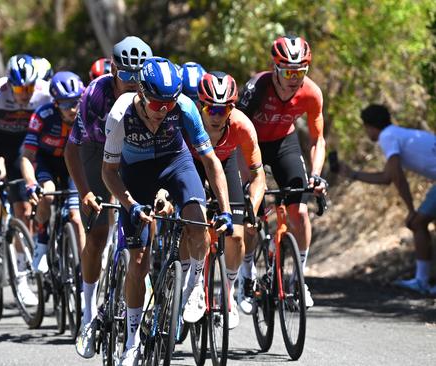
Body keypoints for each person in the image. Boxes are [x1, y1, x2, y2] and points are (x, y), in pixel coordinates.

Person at [102, 57, 233, 365]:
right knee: (138, 261)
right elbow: (108, 173)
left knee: (198, 221)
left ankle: (195, 286)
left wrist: (225, 209)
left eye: (168, 105)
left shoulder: (184, 107)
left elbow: (211, 161)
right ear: (142, 95)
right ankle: (132, 340)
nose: (163, 111)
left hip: (177, 163)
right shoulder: (120, 114)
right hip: (135, 172)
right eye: (157, 105)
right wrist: (131, 205)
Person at [69, 36, 152, 359]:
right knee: (99, 231)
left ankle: (142, 289)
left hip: (135, 152)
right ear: (114, 70)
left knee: (145, 224)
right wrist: (86, 192)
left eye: (139, 77)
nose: (134, 84)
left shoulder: (151, 90)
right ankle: (88, 315)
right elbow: (73, 148)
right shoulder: (96, 94)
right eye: (127, 77)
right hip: (96, 150)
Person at [236, 35, 327, 308]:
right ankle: (246, 275)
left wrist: (317, 174)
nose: (293, 77)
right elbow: (234, 129)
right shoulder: (256, 88)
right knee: (252, 219)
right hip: (249, 146)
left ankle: (299, 280)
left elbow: (317, 139)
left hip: (284, 144)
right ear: (275, 68)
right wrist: (248, 178)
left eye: (300, 71)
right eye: (288, 70)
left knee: (299, 211)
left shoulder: (311, 93)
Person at [0, 54, 51, 305]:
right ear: (9, 84)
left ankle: (21, 278)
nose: (25, 93)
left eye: (29, 87)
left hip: (21, 148)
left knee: (24, 210)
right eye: (19, 88)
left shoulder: (44, 94)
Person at [187, 71, 266, 327]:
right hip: (194, 164)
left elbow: (259, 177)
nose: (217, 116)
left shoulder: (242, 125)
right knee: (194, 223)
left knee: (236, 234)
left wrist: (250, 209)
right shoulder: (187, 122)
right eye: (211, 109)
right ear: (201, 106)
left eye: (225, 109)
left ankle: (228, 294)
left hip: (226, 162)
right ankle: (194, 284)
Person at [338, 104, 436, 295]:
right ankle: (422, 280)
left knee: (417, 222)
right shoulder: (398, 133)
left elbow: (397, 177)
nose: (366, 132)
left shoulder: (387, 136)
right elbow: (387, 178)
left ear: (370, 126)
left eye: (365, 128)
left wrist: (410, 210)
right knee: (418, 223)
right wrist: (352, 174)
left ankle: (422, 281)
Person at [20, 71, 85, 276]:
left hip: (72, 164)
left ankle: (84, 274)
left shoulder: (86, 116)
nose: (73, 109)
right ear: (56, 103)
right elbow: (27, 155)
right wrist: (31, 183)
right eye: (66, 104)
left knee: (76, 217)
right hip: (46, 162)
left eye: (76, 102)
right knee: (47, 193)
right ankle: (41, 242)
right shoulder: (43, 115)